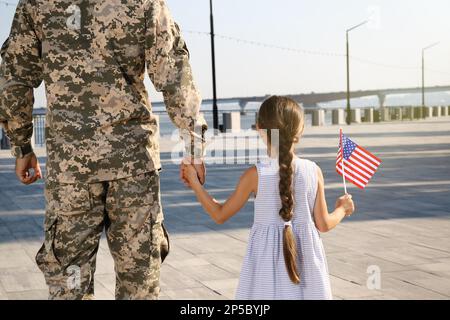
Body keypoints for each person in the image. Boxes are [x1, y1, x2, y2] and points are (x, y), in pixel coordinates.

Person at [0, 0, 207, 300]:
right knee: (140, 288)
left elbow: (15, 77)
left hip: (72, 172)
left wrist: (21, 146)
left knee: (69, 286)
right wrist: (193, 144)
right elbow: (174, 69)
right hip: (134, 166)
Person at [183, 96, 355, 300]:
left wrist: (195, 184)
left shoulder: (255, 175)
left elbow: (220, 215)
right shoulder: (313, 171)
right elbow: (324, 224)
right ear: (300, 130)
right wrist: (342, 209)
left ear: (259, 129)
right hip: (308, 271)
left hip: (266, 270)